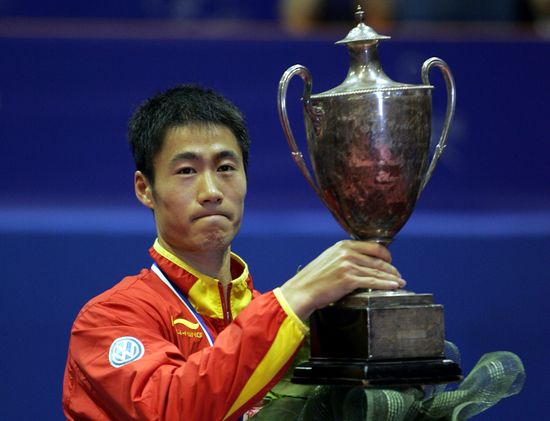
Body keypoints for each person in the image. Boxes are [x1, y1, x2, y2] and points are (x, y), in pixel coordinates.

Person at [62, 84, 406, 420]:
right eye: (187, 171)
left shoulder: (277, 319)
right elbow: (171, 410)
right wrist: (296, 296)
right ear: (145, 189)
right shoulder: (109, 319)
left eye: (225, 168)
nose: (211, 191)